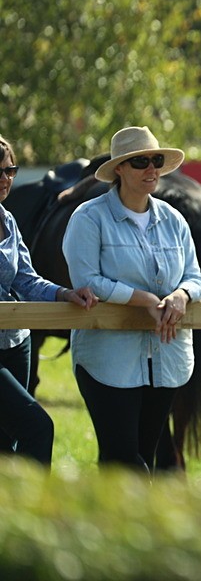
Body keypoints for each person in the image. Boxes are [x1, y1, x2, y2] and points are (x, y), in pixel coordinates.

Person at [63, 126, 201, 472]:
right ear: (119, 170)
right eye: (140, 162)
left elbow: (196, 277)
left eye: (156, 160)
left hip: (165, 358)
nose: (151, 170)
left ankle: (131, 525)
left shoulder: (174, 220)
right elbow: (87, 282)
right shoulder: (88, 218)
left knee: (145, 456)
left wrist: (180, 295)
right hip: (106, 359)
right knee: (124, 462)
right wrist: (144, 299)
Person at [0, 135, 97, 466]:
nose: (5, 180)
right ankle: (36, 515)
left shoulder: (7, 220)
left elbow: (24, 279)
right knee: (38, 428)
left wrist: (64, 293)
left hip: (17, 344)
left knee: (6, 442)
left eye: (10, 170)